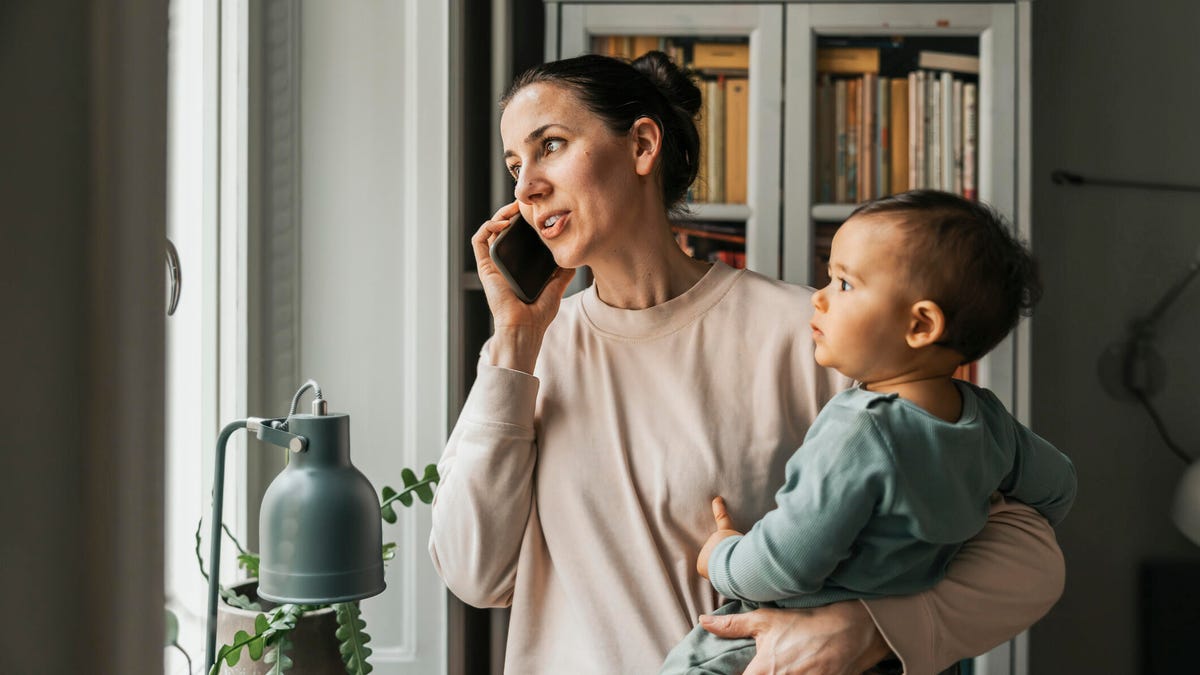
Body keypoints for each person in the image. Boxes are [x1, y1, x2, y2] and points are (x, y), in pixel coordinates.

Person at [429, 51, 1066, 675]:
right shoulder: (525, 362)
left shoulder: (815, 339)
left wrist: (871, 630)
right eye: (515, 164)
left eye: (551, 146)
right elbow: (475, 575)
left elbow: (1031, 555)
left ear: (643, 145)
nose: (527, 186)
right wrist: (514, 342)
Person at [659, 190, 1078, 674]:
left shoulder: (860, 429)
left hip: (783, 640)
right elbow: (1059, 488)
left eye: (843, 284)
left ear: (920, 324)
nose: (818, 296)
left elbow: (785, 563)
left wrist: (723, 558)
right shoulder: (987, 422)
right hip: (900, 654)